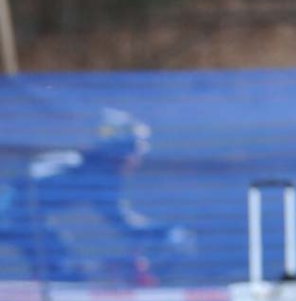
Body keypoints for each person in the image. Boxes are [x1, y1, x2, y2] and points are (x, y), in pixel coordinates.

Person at [0, 108, 193, 284]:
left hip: (16, 211)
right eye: (133, 150)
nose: (136, 159)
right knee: (59, 268)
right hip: (12, 213)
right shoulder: (99, 176)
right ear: (121, 151)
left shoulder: (83, 165)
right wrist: (168, 232)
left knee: (56, 255)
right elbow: (126, 225)